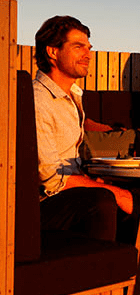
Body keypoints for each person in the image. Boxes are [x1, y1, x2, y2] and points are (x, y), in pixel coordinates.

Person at [33, 15, 134, 242]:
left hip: (72, 188)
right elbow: (50, 177)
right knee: (102, 201)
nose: (88, 54)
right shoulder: (38, 100)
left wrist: (94, 180)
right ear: (52, 51)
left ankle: (137, 270)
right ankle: (102, 274)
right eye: (78, 47)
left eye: (88, 47)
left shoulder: (74, 95)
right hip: (43, 203)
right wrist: (112, 192)